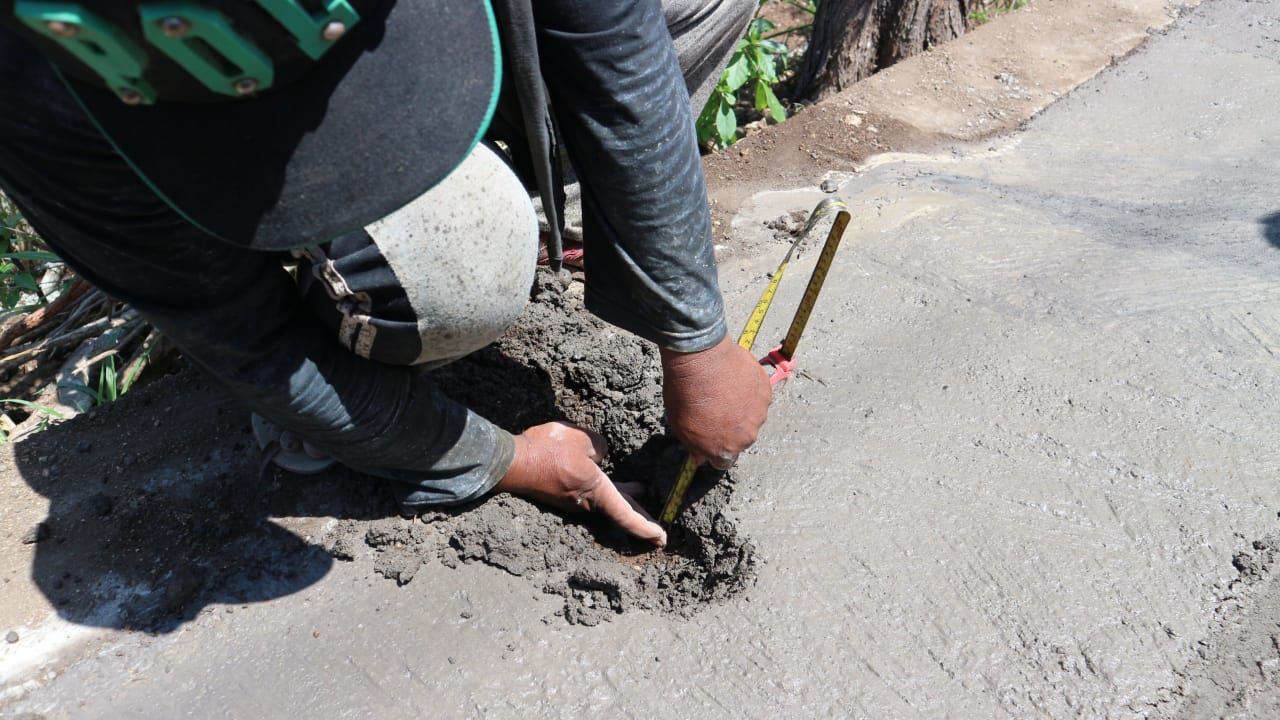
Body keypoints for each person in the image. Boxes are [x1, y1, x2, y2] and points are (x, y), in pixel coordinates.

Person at [0, 0, 772, 548]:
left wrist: (694, 334)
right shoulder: (37, 95)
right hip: (180, 153)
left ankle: (552, 194)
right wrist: (504, 461)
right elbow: (255, 346)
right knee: (460, 262)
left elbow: (619, 48)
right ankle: (354, 293)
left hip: (441, 40)